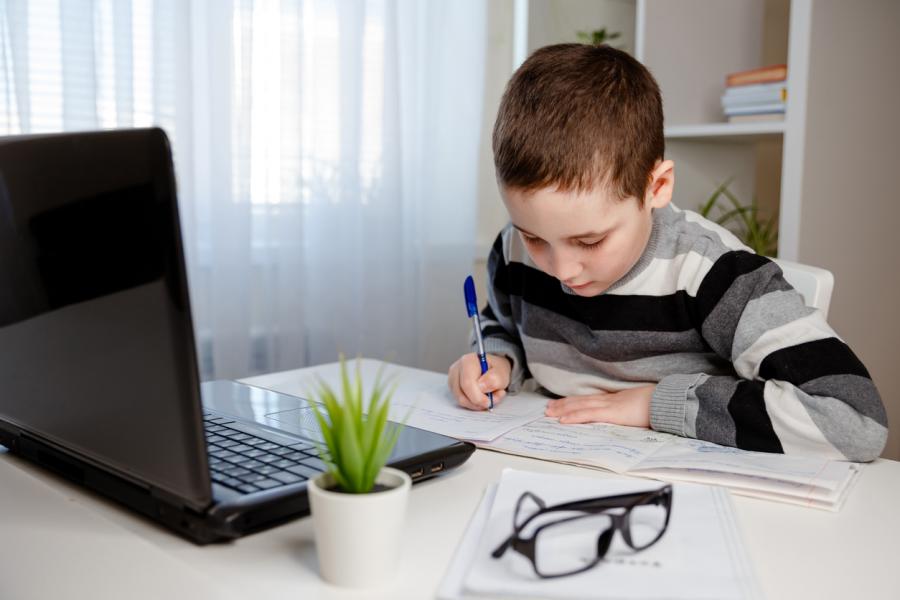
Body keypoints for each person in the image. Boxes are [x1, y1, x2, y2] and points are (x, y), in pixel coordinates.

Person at [447, 43, 887, 461]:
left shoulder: (714, 274)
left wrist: (655, 405)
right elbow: (502, 323)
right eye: (536, 238)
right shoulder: (513, 250)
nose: (562, 270)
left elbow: (855, 419)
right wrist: (496, 361)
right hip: (552, 457)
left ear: (655, 187)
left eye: (590, 241)